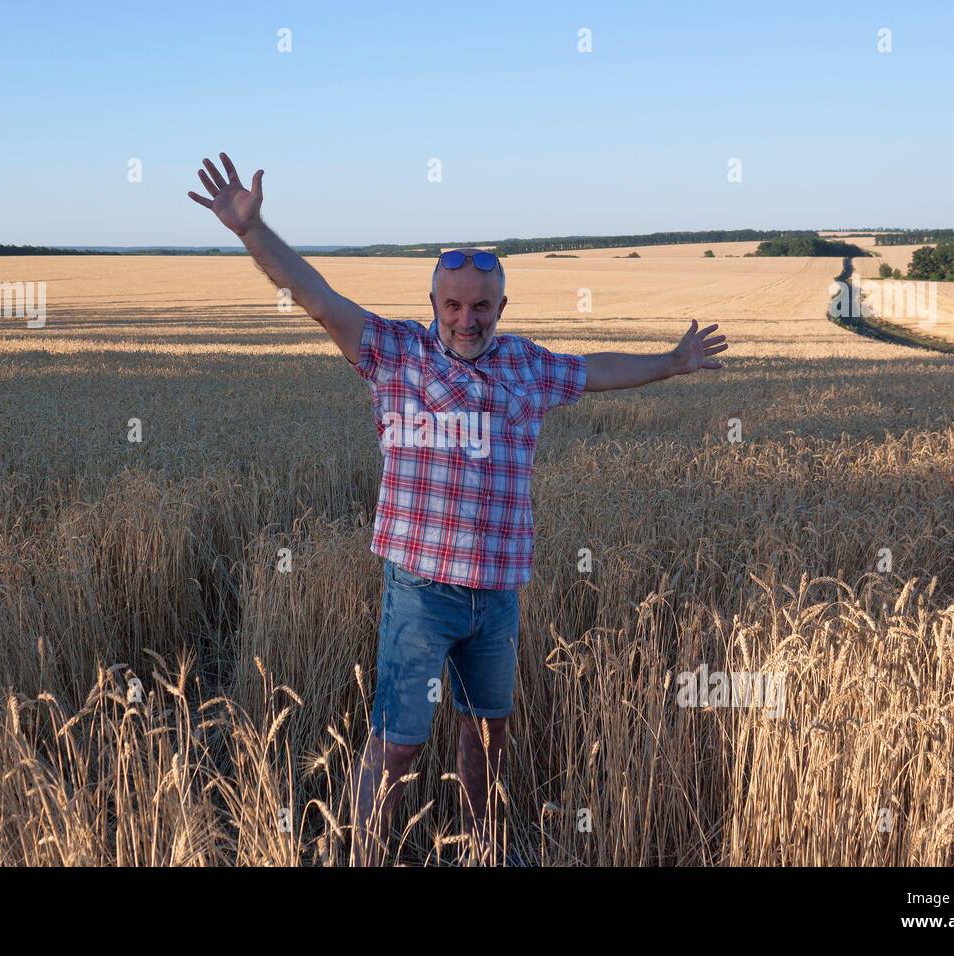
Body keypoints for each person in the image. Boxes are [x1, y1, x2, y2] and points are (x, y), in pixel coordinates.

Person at [188, 152, 728, 865]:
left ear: (501, 308)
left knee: (486, 735)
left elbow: (595, 370)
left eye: (480, 306)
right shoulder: (394, 353)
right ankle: (370, 855)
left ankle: (482, 847)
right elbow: (316, 296)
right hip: (421, 589)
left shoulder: (527, 365)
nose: (466, 318)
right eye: (453, 304)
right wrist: (254, 232)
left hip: (498, 591)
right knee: (399, 739)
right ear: (434, 305)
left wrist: (670, 361)